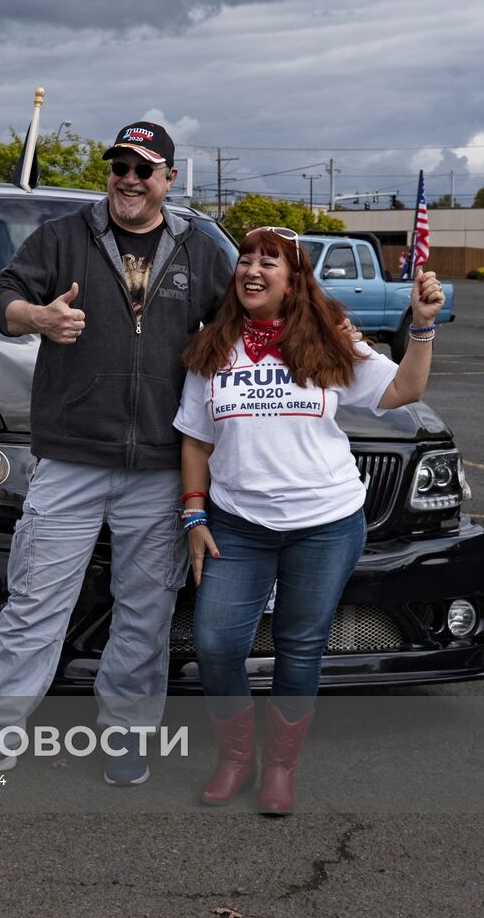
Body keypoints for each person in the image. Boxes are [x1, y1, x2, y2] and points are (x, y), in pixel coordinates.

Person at [0, 122, 234, 783]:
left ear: (167, 179)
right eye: (119, 167)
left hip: (160, 468)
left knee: (144, 608)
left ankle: (127, 735)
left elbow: (243, 323)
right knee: (34, 605)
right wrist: (38, 318)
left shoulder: (197, 248)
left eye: (143, 169)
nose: (128, 179)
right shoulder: (64, 238)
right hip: (71, 460)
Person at [175, 226, 445, 814]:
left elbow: (404, 389)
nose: (252, 269)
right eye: (245, 259)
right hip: (238, 524)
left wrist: (419, 324)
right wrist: (194, 518)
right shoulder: (211, 349)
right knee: (217, 644)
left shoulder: (329, 344)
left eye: (269, 262)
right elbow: (195, 441)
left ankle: (279, 770)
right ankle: (235, 758)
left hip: (326, 522)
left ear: (295, 279)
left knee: (300, 646)